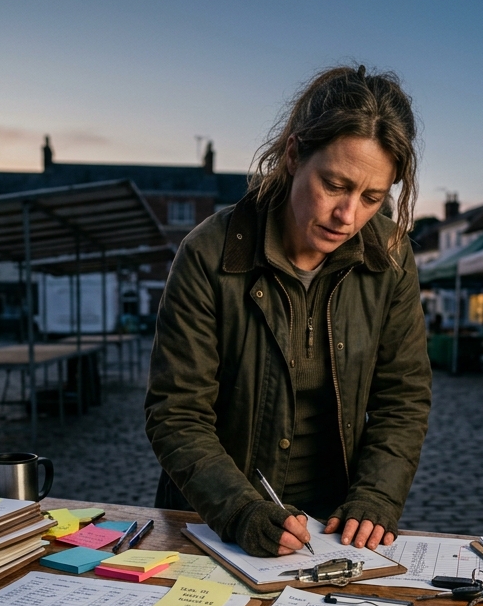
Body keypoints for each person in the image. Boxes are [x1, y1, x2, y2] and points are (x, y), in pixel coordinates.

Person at [146, 64, 431, 562]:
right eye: (335, 184)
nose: (348, 215)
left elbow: (402, 397)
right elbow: (176, 412)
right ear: (295, 154)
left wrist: (377, 497)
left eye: (372, 197)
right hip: (215, 525)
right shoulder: (208, 253)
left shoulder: (389, 255)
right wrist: (240, 511)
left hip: (336, 531)